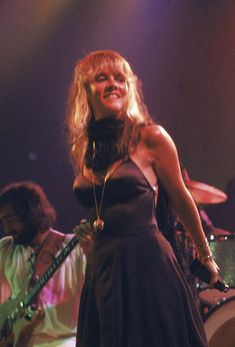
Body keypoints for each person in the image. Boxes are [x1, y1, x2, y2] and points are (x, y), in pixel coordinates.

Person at [66, 49, 219, 347]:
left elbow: (182, 200)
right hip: (103, 266)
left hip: (146, 263)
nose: (113, 84)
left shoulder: (151, 137)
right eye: (101, 78)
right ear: (86, 91)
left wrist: (205, 255)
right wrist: (91, 233)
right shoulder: (84, 148)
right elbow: (102, 201)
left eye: (120, 78)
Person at [0, 181, 89, 347]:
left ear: (29, 213)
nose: (6, 229)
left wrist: (91, 252)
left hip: (63, 342)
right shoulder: (5, 249)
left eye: (10, 220)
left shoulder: (75, 249)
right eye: (3, 222)